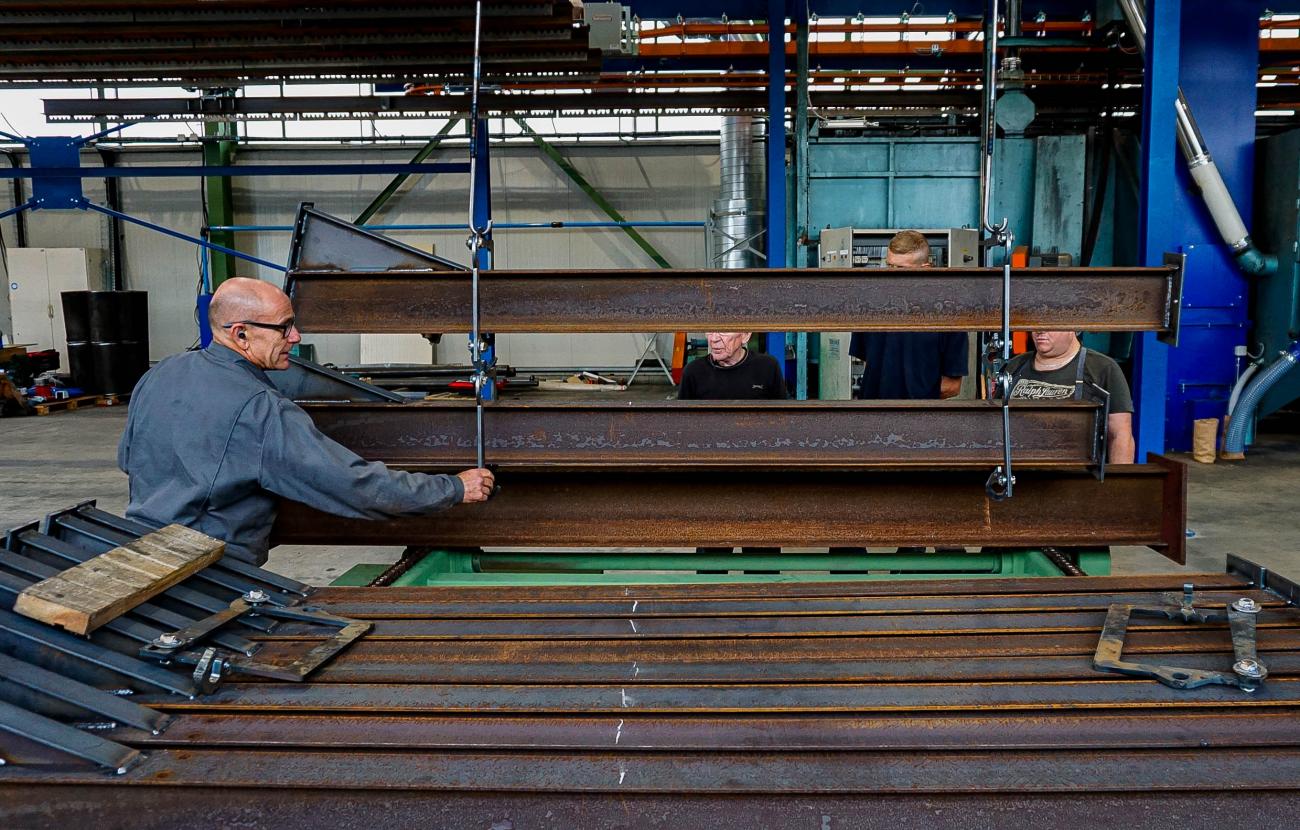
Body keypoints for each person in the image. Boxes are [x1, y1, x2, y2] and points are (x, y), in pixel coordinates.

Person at [117, 277, 494, 565]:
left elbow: (129, 459)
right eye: (284, 327)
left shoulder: (160, 373)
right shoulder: (260, 408)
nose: (295, 337)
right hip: (209, 570)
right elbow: (353, 486)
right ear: (241, 333)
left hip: (142, 550)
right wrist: (453, 488)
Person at [851, 230, 968, 400]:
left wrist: (910, 408)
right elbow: (869, 365)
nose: (892, 276)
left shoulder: (949, 313)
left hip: (919, 414)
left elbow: (952, 386)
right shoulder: (870, 306)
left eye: (901, 269)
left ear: (925, 269)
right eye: (889, 266)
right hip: (872, 412)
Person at [1005, 330, 1136, 463]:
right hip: (1017, 472)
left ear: (1073, 328)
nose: (1040, 330)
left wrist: (1118, 476)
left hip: (1076, 473)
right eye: (1036, 324)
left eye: (1049, 324)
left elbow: (1119, 435)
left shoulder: (1102, 368)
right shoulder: (1014, 366)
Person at [677, 331, 788, 400]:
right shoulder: (693, 372)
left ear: (745, 335)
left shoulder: (768, 367)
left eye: (724, 331)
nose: (714, 339)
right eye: (710, 330)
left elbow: (781, 418)